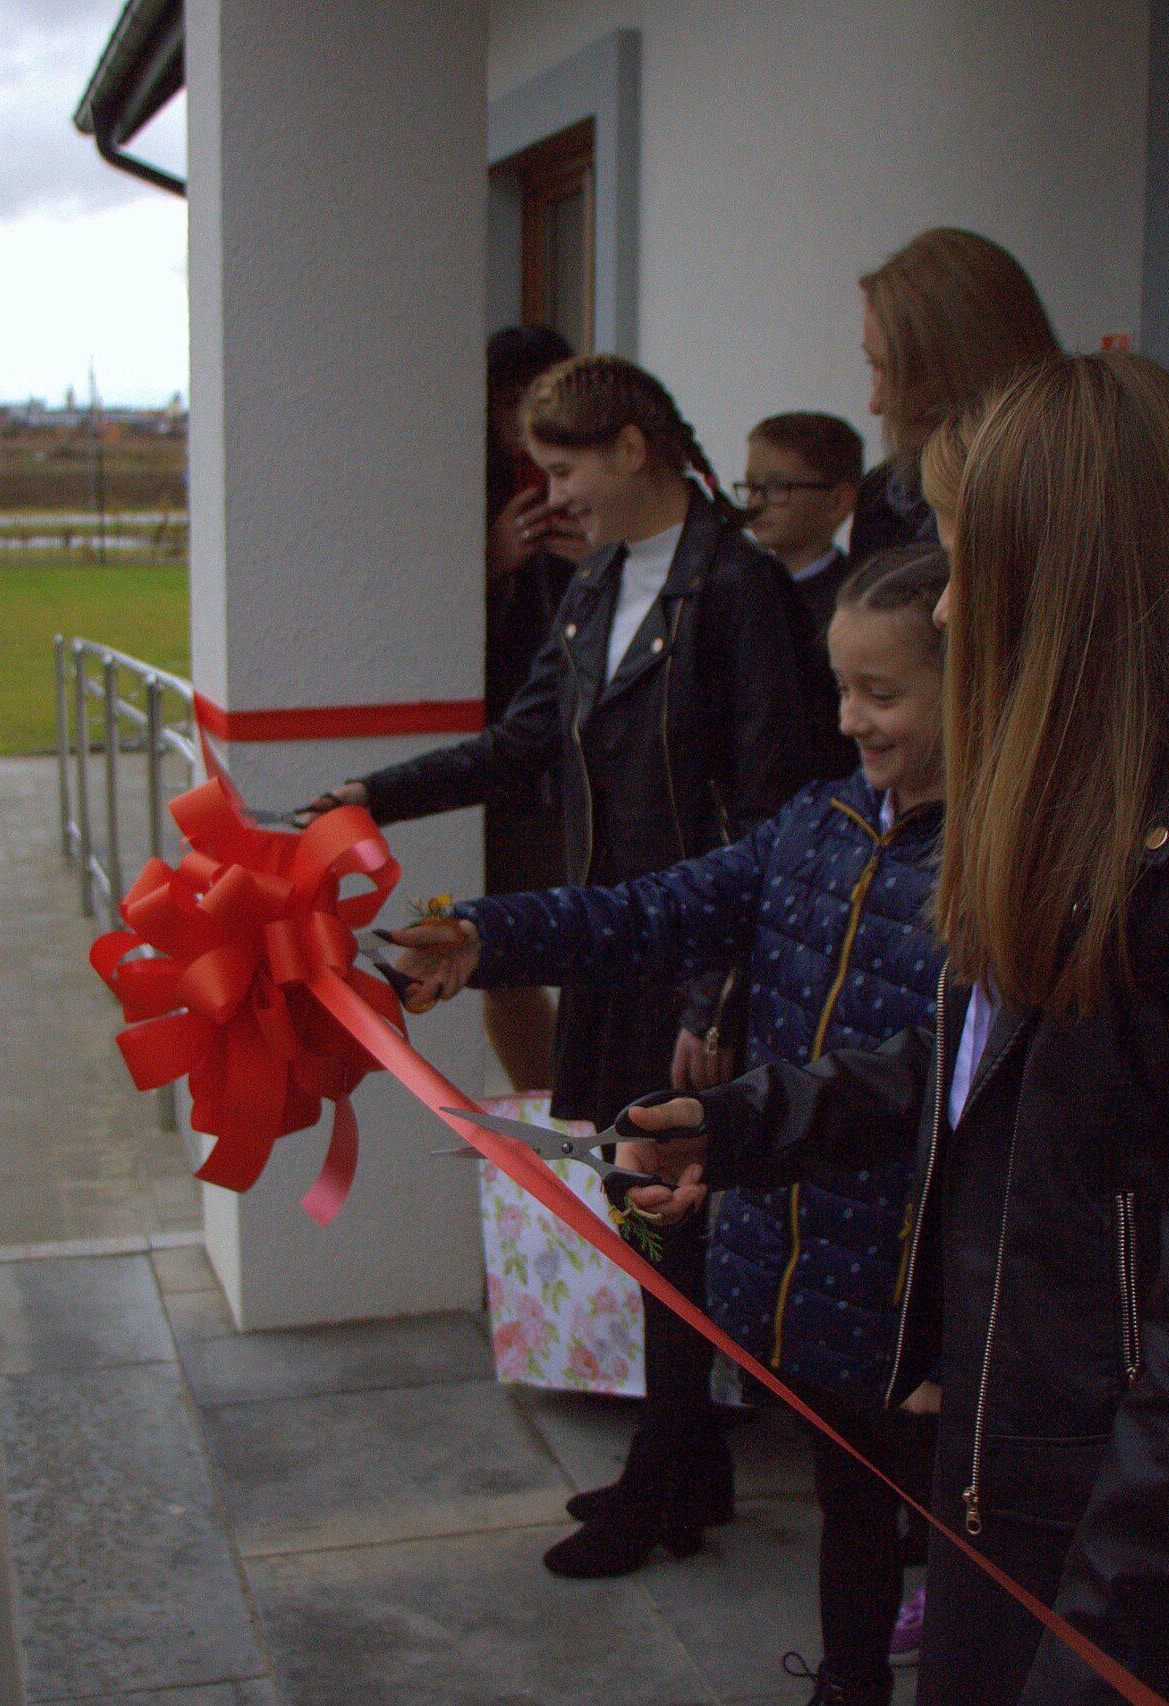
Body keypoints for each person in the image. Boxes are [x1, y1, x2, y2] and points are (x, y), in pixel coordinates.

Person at [619, 352, 1169, 1703]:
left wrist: (1095, 1648)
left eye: (969, 557)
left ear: (1072, 583)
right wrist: (746, 1120)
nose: (956, 598)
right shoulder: (1082, 816)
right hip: (1005, 1482)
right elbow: (992, 1079)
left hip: (1108, 1554)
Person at [315, 353, 839, 1578]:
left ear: (635, 449)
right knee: (638, 1202)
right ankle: (683, 1454)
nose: (551, 496)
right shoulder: (601, 576)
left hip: (696, 961)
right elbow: (527, 738)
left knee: (673, 1208)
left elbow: (775, 810)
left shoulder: (738, 590)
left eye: (563, 468)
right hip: (617, 943)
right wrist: (375, 794)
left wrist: (718, 989)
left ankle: (672, 1463)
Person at [393, 547, 949, 1701]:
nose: (850, 719)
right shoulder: (819, 818)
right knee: (849, 1499)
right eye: (841, 689)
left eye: (882, 694)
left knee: (940, 1515)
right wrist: (490, 934)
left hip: (923, 1264)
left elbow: (936, 1081)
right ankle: (847, 1681)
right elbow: (656, 907)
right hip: (807, 1233)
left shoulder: (1003, 862)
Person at [480, 324, 583, 1092]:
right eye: (508, 401)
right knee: (504, 954)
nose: (521, 421)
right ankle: (552, 1116)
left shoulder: (598, 482)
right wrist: (488, 563)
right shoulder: (465, 486)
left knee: (598, 940)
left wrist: (604, 557)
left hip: (592, 753)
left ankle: (598, 1104)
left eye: (536, 400)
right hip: (507, 759)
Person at [850, 228, 1059, 565]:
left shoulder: (1071, 495)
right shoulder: (884, 503)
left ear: (961, 369)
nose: (876, 404)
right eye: (872, 365)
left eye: (894, 371)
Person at [735, 411, 865, 630]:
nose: (755, 502)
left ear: (837, 502)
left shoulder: (853, 604)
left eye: (779, 487)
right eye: (751, 486)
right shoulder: (741, 586)